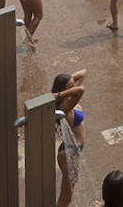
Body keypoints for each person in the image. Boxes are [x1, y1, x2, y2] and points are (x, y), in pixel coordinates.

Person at [53, 69, 87, 207]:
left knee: (68, 194)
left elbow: (84, 73)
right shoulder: (65, 106)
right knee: (66, 195)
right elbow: (81, 90)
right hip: (69, 151)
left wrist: (67, 82)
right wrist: (60, 94)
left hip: (72, 149)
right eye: (70, 86)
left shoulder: (68, 98)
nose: (74, 87)